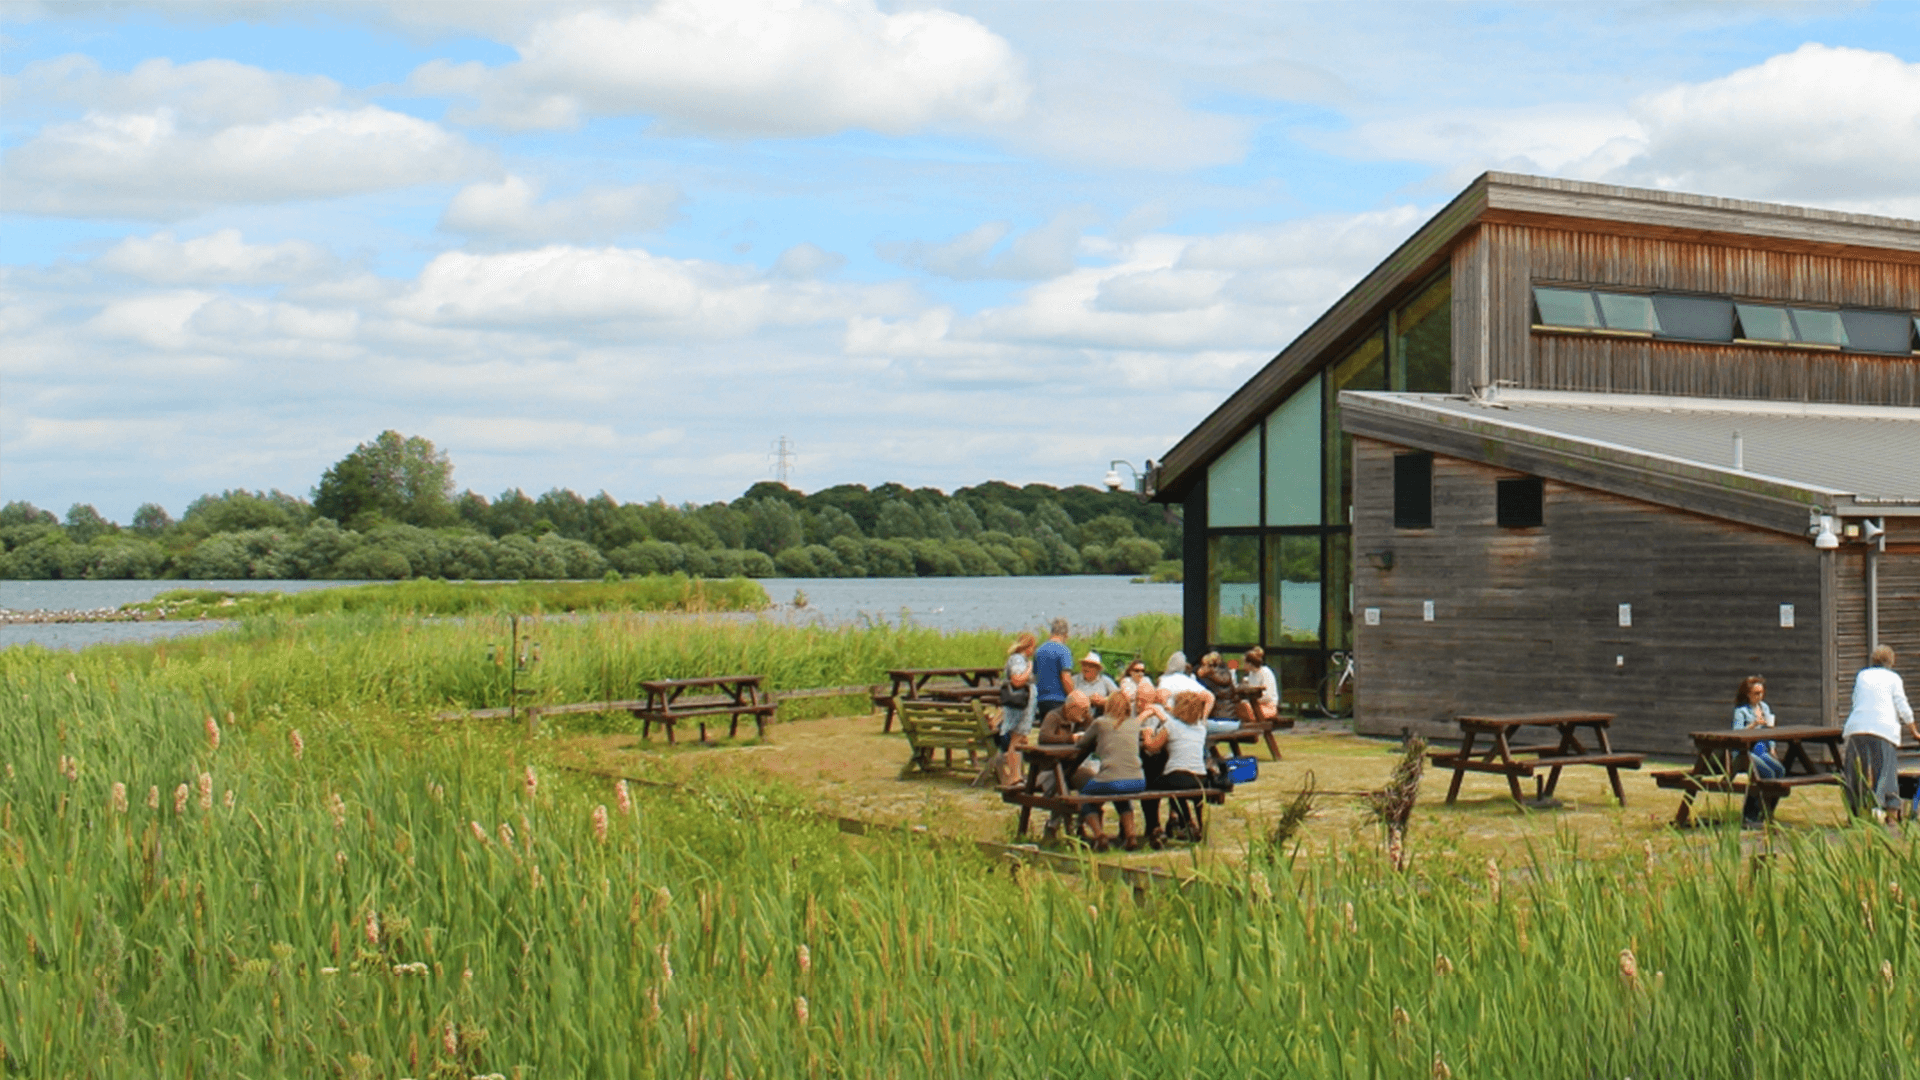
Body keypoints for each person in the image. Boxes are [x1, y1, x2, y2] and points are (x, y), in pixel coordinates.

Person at [1840, 646, 1918, 822]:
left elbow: (1856, 699)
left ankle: (1855, 813)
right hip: (1883, 729)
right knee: (1886, 771)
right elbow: (1902, 705)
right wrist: (1913, 730)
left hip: (1857, 727)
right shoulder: (1894, 678)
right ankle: (1891, 813)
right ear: (1891, 661)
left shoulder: (1862, 675)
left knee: (1856, 773)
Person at [1075, 688, 1144, 850]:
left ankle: (1099, 835)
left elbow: (1082, 743)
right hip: (1137, 780)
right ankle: (1131, 836)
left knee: (1085, 797)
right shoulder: (1134, 724)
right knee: (1122, 797)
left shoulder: (1100, 723)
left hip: (1110, 778)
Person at [1140, 690, 1211, 843]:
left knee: (1150, 786)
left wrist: (1147, 733)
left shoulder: (1171, 726)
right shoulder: (1201, 728)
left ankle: (1154, 827)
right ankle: (1187, 822)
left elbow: (1152, 747)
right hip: (1200, 777)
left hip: (1178, 776)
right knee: (1174, 787)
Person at [1733, 675, 1783, 827]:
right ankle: (1750, 815)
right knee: (1765, 773)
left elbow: (1769, 729)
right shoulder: (1741, 711)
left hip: (1762, 748)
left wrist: (1773, 747)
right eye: (1756, 693)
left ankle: (1766, 811)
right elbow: (1737, 732)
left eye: (1762, 692)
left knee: (1779, 771)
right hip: (1746, 751)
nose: (1760, 696)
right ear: (1748, 694)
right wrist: (1754, 724)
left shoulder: (1764, 707)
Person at [995, 632, 1037, 786]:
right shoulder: (1019, 660)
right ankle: (1014, 776)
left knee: (1019, 739)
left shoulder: (1016, 659)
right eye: (1033, 647)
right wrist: (1029, 669)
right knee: (1016, 740)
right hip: (1018, 707)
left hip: (1021, 707)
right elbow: (1017, 680)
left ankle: (1016, 774)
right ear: (1028, 646)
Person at [1031, 618, 1075, 723]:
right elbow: (1065, 677)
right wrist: (1074, 696)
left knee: (1046, 731)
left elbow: (1035, 675)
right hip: (1058, 699)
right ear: (1065, 634)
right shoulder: (1064, 651)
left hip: (1041, 699)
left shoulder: (1039, 650)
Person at [1236, 646, 1280, 725]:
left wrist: (1250, 701)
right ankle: (1250, 734)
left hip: (1268, 707)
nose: (1242, 665)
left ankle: (1252, 734)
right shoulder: (1251, 674)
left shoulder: (1265, 672)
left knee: (1244, 707)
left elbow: (1268, 696)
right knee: (1238, 707)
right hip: (1254, 706)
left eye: (1244, 662)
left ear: (1250, 663)